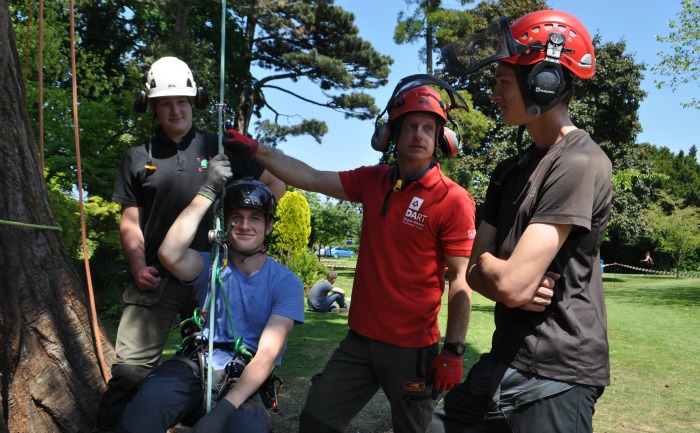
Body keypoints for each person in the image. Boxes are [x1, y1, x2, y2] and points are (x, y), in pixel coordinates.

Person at [225, 74, 477, 433]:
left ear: (441, 139)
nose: (419, 135)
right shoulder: (372, 181)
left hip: (411, 349)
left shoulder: (453, 200)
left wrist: (453, 352)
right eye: (409, 127)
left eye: (428, 128)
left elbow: (461, 282)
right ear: (391, 135)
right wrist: (255, 149)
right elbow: (310, 176)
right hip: (359, 341)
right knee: (316, 420)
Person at [431, 10, 612, 433]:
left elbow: (508, 284)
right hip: (505, 357)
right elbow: (474, 272)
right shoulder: (508, 170)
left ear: (543, 82)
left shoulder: (579, 162)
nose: (494, 94)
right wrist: (496, 272)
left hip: (557, 375)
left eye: (503, 83)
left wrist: (497, 273)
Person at [95, 56, 285, 432]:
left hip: (216, 279)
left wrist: (247, 236)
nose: (175, 109)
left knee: (221, 365)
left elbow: (275, 186)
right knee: (130, 374)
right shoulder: (138, 157)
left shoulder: (220, 146)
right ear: (151, 105)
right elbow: (130, 221)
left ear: (195, 100)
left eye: (181, 100)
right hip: (158, 275)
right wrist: (136, 264)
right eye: (165, 102)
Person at [115, 177, 304, 433]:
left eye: (255, 218)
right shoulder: (209, 266)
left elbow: (267, 356)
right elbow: (169, 253)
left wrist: (222, 412)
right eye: (236, 217)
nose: (245, 225)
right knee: (146, 407)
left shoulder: (286, 283)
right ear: (224, 223)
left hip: (244, 376)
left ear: (269, 226)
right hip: (196, 363)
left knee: (250, 429)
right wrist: (208, 190)